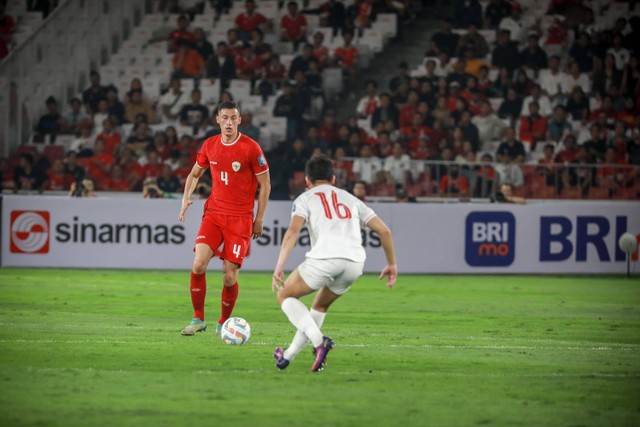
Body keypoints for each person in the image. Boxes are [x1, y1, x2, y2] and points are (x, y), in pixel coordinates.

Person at [271, 154, 397, 372]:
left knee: (284, 295)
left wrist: (279, 265)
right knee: (319, 306)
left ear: (307, 181)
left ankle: (320, 342)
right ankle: (287, 357)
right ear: (334, 179)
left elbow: (293, 231)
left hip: (326, 258)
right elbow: (384, 231)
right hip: (355, 263)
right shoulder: (351, 198)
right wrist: (391, 264)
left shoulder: (305, 198)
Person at [178, 101, 271, 336]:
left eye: (233, 118)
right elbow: (194, 173)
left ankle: (223, 323)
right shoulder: (210, 145)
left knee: (229, 276)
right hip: (214, 213)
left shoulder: (251, 148)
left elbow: (265, 184)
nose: (229, 122)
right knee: (198, 264)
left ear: (240, 120)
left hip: (240, 218)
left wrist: (258, 218)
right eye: (225, 118)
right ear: (217, 120)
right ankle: (198, 318)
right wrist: (185, 198)